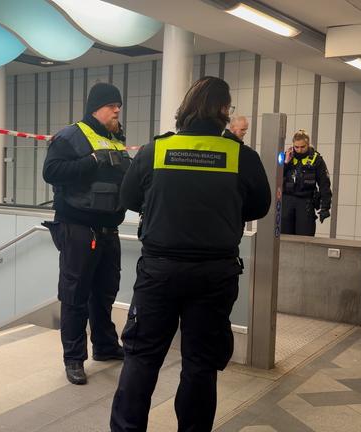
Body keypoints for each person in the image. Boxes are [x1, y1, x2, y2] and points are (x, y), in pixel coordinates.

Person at [109, 76, 271, 431]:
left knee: (142, 357)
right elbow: (259, 206)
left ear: (185, 108)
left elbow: (129, 198)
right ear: (224, 112)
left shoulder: (156, 150)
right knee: (200, 364)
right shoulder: (241, 156)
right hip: (215, 275)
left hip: (159, 271)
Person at [42, 82, 132, 385]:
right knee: (75, 295)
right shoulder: (71, 136)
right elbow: (51, 172)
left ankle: (105, 346)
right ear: (96, 107)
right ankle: (74, 358)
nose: (117, 109)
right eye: (111, 105)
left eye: (118, 105)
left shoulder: (116, 138)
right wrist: (91, 162)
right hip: (78, 228)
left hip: (109, 228)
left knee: (105, 291)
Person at [281, 129, 332, 236]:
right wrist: (286, 163)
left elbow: (324, 184)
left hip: (305, 202)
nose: (299, 150)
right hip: (286, 201)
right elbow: (275, 177)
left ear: (308, 144)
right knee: (283, 238)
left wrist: (325, 207)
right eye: (296, 147)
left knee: (304, 238)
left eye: (302, 147)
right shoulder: (286, 156)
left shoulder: (316, 159)